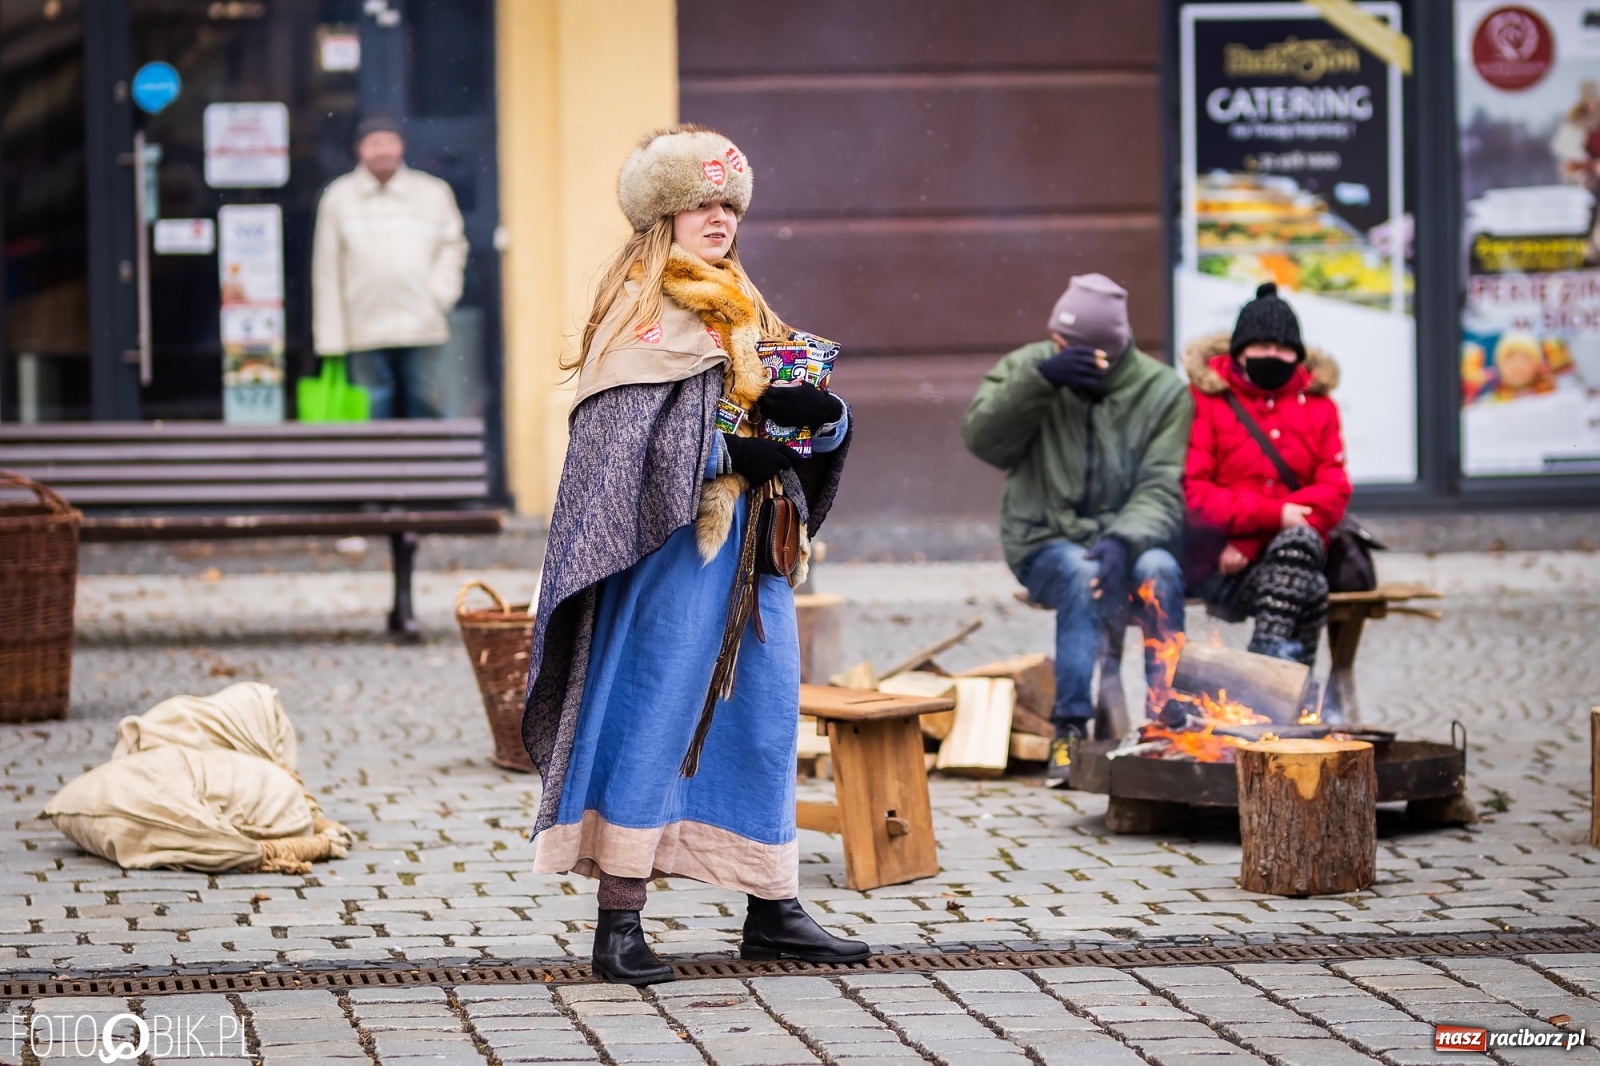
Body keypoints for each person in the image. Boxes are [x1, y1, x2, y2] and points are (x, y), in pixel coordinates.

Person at [519, 125, 866, 986]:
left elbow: (776, 423)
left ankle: (772, 906)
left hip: (754, 557)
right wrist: (721, 457)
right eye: (699, 204)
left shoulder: (743, 305)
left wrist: (817, 418)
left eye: (727, 204)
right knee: (654, 718)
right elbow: (610, 449)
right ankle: (620, 921)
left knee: (762, 723)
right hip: (672, 566)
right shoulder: (639, 317)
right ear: (662, 216)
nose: (718, 218)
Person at [961, 274, 1193, 782]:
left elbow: (1161, 486)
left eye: (1072, 347)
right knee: (1079, 572)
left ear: (1108, 351)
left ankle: (1168, 717)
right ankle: (1070, 730)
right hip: (1045, 541)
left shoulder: (1163, 392)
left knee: (1161, 568)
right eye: (1057, 341)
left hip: (1130, 541)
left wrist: (1123, 539)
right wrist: (1042, 381)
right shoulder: (1032, 367)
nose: (1058, 349)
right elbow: (982, 439)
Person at [1183, 282, 1352, 670]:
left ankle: (1264, 680)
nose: (1272, 355)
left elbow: (1335, 492)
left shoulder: (1320, 406)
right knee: (1311, 587)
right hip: (1218, 563)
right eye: (1261, 346)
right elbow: (1195, 496)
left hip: (1280, 551)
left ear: (1298, 354)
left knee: (1299, 540)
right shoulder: (1206, 401)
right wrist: (1275, 517)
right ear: (1239, 351)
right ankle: (1290, 699)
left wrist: (1257, 535)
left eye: (1283, 348)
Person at [311, 112, 468, 418]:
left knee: (428, 406)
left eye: (389, 141)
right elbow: (326, 271)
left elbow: (453, 247)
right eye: (374, 142)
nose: (382, 150)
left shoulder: (433, 193)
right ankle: (373, 468)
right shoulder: (338, 198)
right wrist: (331, 336)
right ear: (359, 148)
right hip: (362, 327)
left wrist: (441, 295)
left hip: (423, 323)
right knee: (372, 411)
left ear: (402, 146)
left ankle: (429, 467)